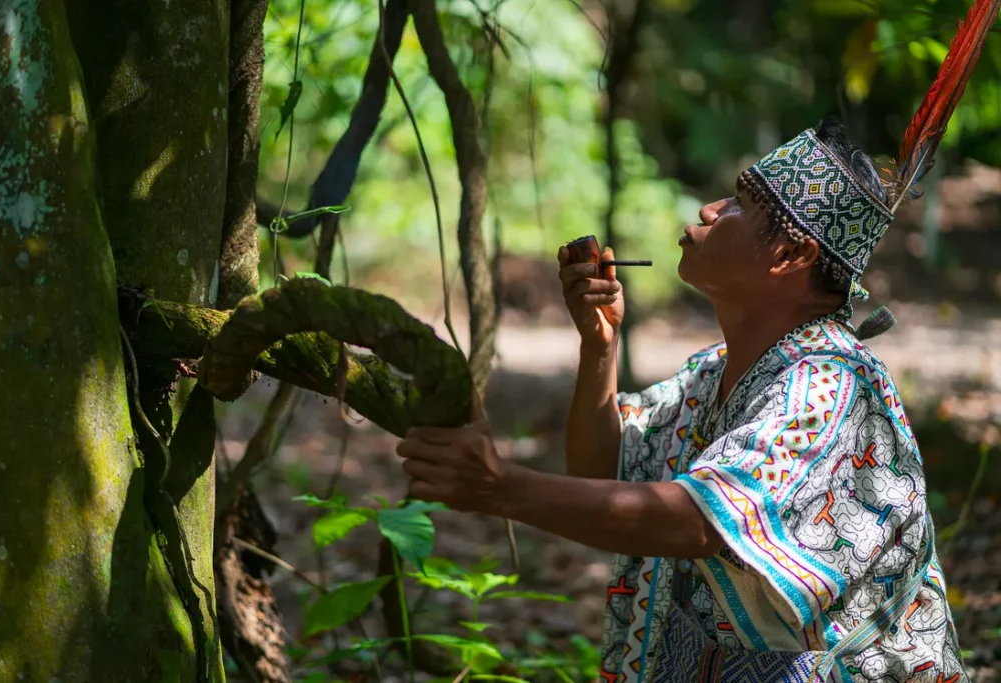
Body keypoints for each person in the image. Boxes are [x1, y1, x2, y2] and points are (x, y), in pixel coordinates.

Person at [395, 116, 966, 682]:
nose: (709, 210)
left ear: (791, 256)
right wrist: (600, 348)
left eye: (741, 203)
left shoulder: (830, 387)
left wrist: (500, 486)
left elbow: (699, 523)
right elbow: (605, 470)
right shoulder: (714, 374)